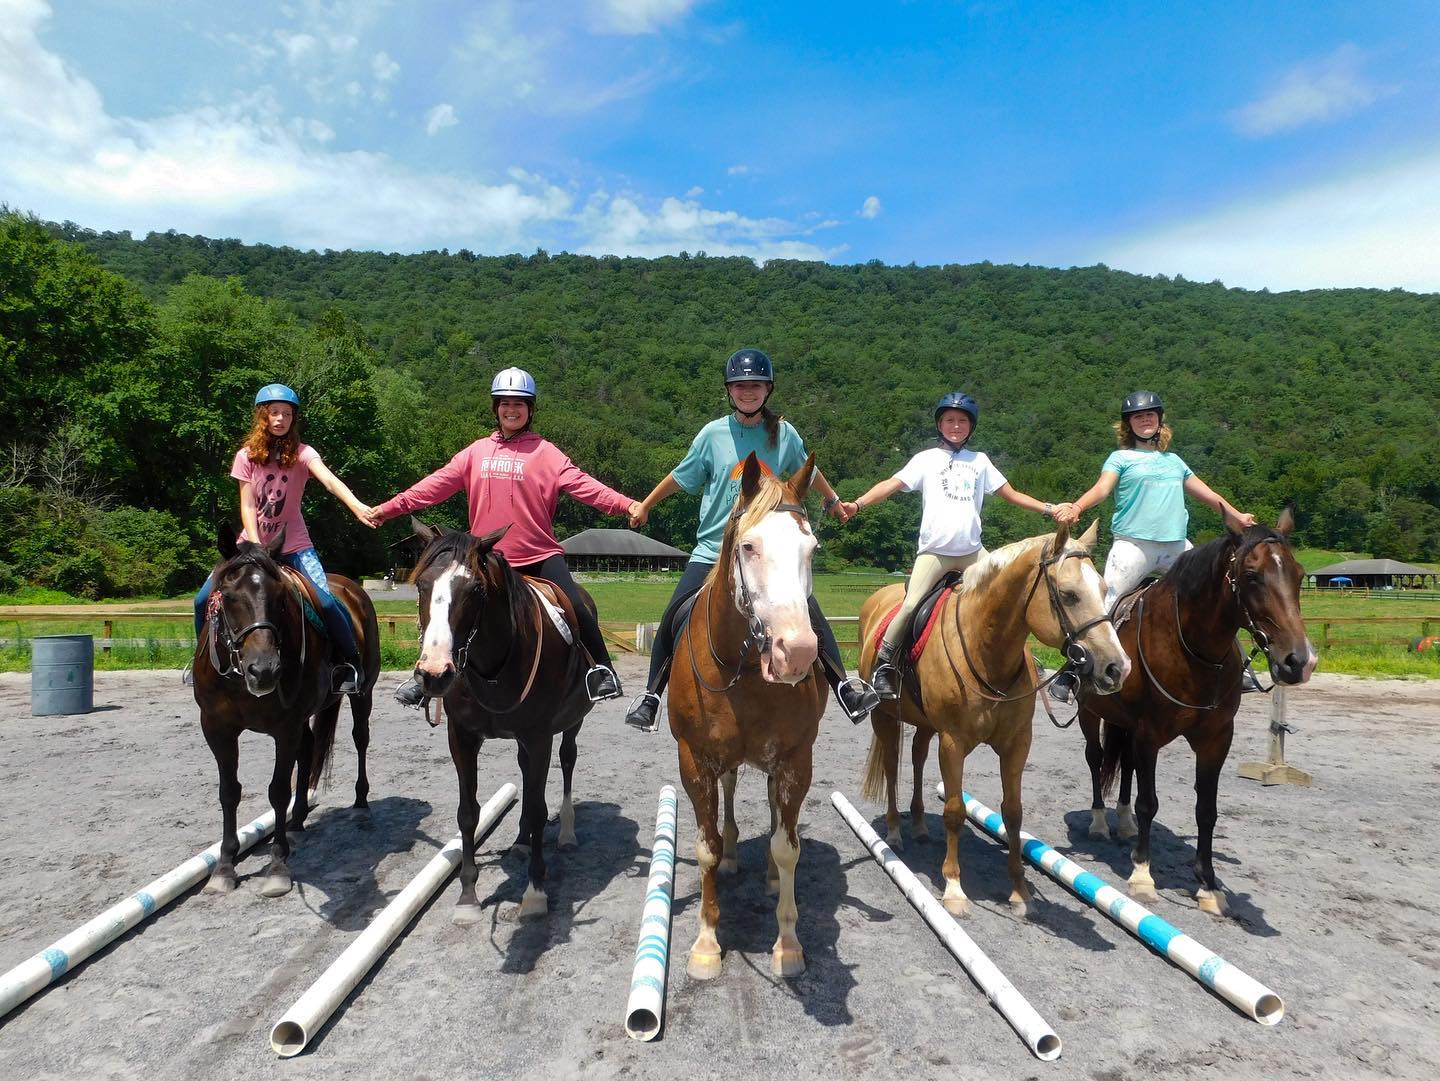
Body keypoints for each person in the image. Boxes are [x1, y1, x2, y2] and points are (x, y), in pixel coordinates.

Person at [623, 347, 880, 731]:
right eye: (740, 386)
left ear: (768, 390)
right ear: (729, 390)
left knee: (809, 610)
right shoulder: (712, 435)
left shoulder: (784, 434)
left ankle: (844, 685)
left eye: (756, 386)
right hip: (714, 549)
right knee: (675, 613)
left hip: (767, 553)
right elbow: (681, 475)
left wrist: (833, 501)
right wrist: (645, 504)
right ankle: (651, 696)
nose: (748, 392)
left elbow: (808, 472)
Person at [367, 367, 642, 707]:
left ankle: (601, 669)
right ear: (495, 408)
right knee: (446, 607)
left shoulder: (547, 453)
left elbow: (586, 486)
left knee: (576, 605)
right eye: (505, 404)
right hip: (485, 558)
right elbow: (433, 486)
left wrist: (626, 504)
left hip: (539, 555)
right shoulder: (475, 452)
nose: (512, 410)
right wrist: (389, 508)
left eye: (519, 404)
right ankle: (426, 680)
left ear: (530, 409)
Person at [844, 391, 1073, 700]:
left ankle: (1023, 656)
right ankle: (884, 664)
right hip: (935, 553)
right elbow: (891, 485)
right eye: (949, 420)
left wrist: (1050, 508)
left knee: (1012, 596)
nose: (955, 426)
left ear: (971, 426)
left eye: (962, 421)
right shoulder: (926, 459)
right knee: (910, 604)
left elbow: (1012, 494)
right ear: (940, 425)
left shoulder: (980, 461)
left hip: (973, 553)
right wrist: (857, 504)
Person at [1048, 390, 1259, 703]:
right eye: (1138, 416)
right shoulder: (1120, 458)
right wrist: (1078, 507)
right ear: (1128, 425)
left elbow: (1208, 495)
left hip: (1176, 545)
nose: (1145, 420)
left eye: (1150, 415)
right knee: (1106, 603)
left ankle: (1239, 667)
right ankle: (1072, 670)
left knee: (1215, 598)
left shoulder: (1174, 462)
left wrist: (1237, 516)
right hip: (1134, 545)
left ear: (1159, 420)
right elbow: (1102, 489)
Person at [191, 384, 372, 692]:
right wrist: (257, 546)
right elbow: (248, 505)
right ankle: (202, 663)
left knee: (326, 603)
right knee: (201, 599)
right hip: (251, 546)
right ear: (262, 416)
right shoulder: (245, 456)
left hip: (294, 545)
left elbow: (329, 481)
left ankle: (349, 663)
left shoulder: (303, 454)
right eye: (274, 412)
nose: (280, 419)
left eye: (287, 414)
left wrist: (357, 507)